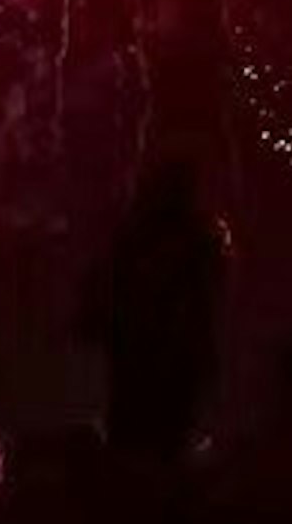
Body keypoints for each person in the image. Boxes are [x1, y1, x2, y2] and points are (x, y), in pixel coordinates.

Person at [91, 155, 227, 462]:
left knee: (143, 442)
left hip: (144, 356)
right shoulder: (196, 239)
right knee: (161, 442)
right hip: (157, 357)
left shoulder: (134, 235)